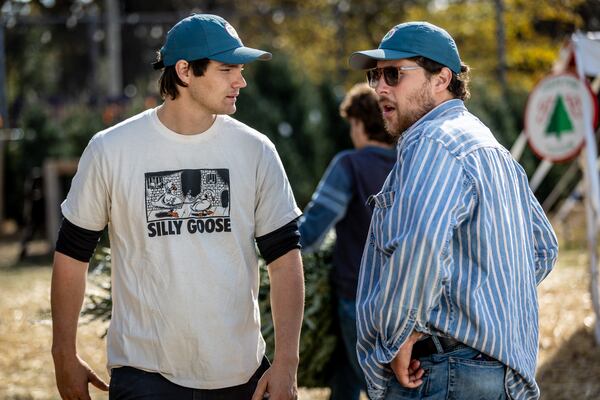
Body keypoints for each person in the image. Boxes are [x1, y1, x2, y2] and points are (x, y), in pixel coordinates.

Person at [50, 14, 304, 400]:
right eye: (227, 69)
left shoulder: (256, 151)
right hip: (143, 375)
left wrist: (287, 362)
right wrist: (62, 354)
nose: (241, 81)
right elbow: (71, 255)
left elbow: (285, 261)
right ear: (184, 71)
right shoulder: (111, 149)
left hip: (240, 376)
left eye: (240, 69)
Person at [348, 22, 558, 400]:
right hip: (496, 375)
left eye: (394, 74)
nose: (379, 87)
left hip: (441, 373)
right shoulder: (489, 145)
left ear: (441, 78)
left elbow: (423, 246)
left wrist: (402, 335)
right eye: (375, 75)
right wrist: (479, 310)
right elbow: (542, 247)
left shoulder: (432, 141)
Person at [298, 83, 396, 400]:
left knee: (380, 387)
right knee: (346, 379)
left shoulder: (350, 165)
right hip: (406, 298)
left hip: (358, 296)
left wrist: (268, 242)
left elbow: (311, 232)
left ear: (358, 122)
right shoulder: (410, 165)